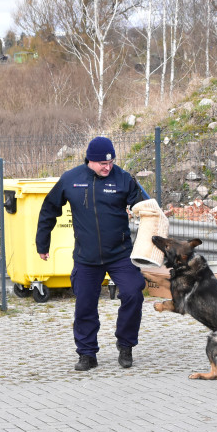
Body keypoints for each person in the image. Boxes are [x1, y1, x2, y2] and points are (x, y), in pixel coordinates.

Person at [36, 136, 149, 371]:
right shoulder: (71, 179)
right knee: (85, 305)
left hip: (120, 253)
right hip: (86, 257)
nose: (107, 167)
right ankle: (87, 354)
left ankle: (126, 345)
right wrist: (42, 243)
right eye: (102, 164)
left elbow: (146, 208)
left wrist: (148, 212)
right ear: (90, 160)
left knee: (133, 292)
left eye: (111, 162)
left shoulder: (124, 178)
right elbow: (49, 209)